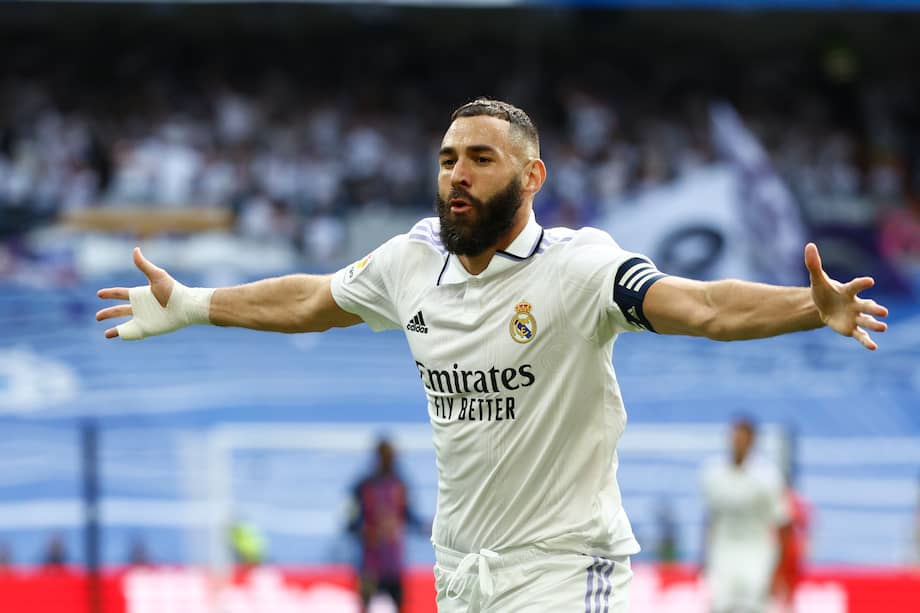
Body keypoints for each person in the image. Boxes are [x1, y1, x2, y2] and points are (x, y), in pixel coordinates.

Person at [96, 98, 888, 613]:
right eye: (447, 159)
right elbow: (309, 299)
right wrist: (194, 304)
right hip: (458, 572)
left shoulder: (581, 268)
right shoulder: (409, 262)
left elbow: (705, 307)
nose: (457, 175)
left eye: (479, 158)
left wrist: (807, 307)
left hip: (559, 570)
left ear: (532, 175)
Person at [701, 418, 789, 613]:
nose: (737, 443)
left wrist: (780, 571)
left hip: (756, 552)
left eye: (742, 438)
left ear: (752, 441)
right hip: (723, 551)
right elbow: (710, 518)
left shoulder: (767, 477)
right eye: (734, 437)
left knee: (754, 606)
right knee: (720, 604)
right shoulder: (714, 474)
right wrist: (703, 558)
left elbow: (783, 524)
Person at [347, 438, 426, 613]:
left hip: (392, 561)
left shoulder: (399, 485)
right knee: (367, 605)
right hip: (370, 561)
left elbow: (408, 515)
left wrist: (427, 527)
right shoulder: (364, 486)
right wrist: (361, 531)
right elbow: (350, 521)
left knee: (398, 604)